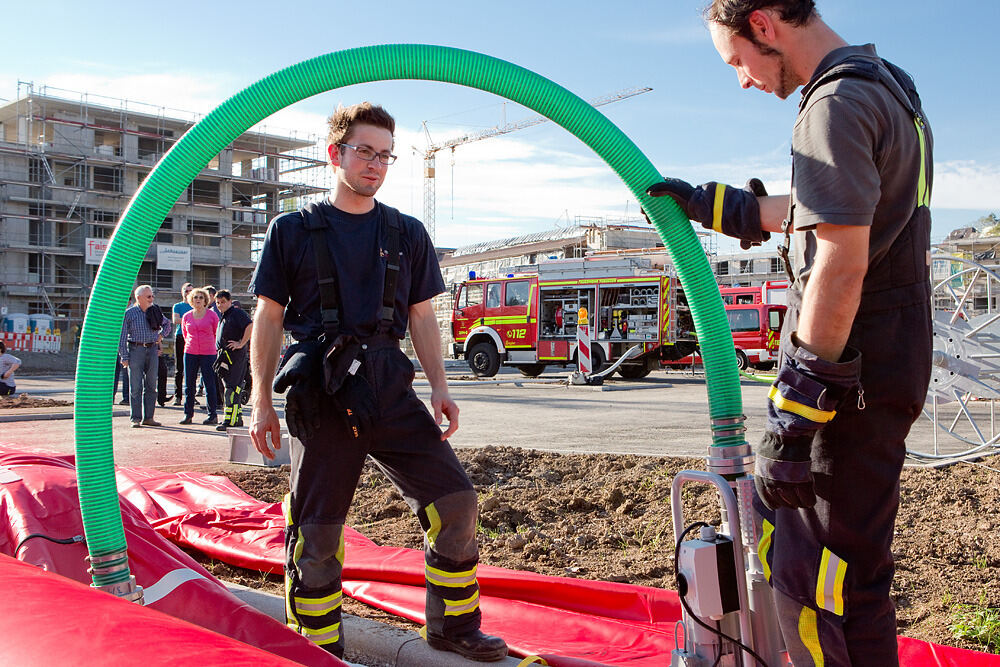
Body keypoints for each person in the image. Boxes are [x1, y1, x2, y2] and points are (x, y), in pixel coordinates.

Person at [647, 2, 933, 665]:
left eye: (737, 60)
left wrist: (795, 419)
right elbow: (828, 209)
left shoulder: (832, 104)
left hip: (845, 393)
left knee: (814, 588)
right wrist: (721, 206)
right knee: (855, 581)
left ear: (766, 24)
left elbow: (838, 264)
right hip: (883, 371)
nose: (743, 79)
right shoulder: (886, 83)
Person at [248, 102, 507, 662]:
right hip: (322, 388)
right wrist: (260, 399)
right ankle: (317, 648)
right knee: (317, 532)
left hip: (390, 384)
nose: (376, 164)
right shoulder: (292, 230)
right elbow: (268, 317)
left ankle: (451, 628)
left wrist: (440, 388)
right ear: (334, 152)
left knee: (457, 502)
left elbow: (421, 318)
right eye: (365, 151)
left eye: (386, 155)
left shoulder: (407, 232)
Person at [118, 285, 171, 427]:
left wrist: (161, 336)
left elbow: (167, 324)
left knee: (151, 385)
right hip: (135, 349)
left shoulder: (155, 311)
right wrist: (124, 356)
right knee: (135, 386)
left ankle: (149, 417)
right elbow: (122, 337)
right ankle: (135, 418)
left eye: (152, 296)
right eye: (148, 296)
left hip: (152, 349)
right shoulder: (129, 314)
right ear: (138, 298)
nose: (151, 299)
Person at [179, 287, 220, 425]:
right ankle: (188, 414)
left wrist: (211, 346)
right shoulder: (187, 316)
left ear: (205, 300)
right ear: (191, 299)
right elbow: (185, 334)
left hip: (208, 353)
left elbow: (216, 333)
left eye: (201, 297)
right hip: (190, 352)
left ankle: (212, 415)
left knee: (209, 384)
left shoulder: (212, 315)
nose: (198, 300)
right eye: (195, 297)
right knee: (189, 384)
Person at [214, 289, 253, 430]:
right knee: (230, 388)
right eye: (218, 303)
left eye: (223, 302)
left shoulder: (237, 313)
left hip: (235, 356)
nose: (220, 305)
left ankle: (229, 420)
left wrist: (241, 343)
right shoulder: (224, 316)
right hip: (224, 356)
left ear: (230, 301)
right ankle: (237, 419)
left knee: (232, 389)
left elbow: (250, 325)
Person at [172, 282, 194, 405]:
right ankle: (178, 396)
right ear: (182, 292)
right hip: (181, 336)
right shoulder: (177, 306)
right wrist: (192, 319)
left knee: (192, 369)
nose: (188, 293)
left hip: (193, 337)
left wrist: (186, 319)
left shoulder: (196, 306)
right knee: (179, 368)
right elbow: (176, 320)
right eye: (186, 291)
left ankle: (191, 395)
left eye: (191, 291)